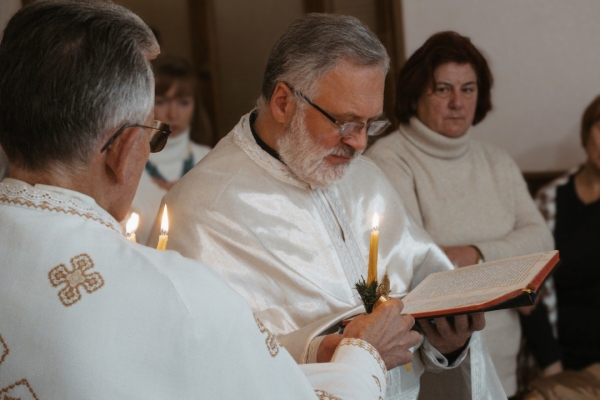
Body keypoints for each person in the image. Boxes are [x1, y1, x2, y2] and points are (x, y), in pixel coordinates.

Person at [0, 2, 417, 398]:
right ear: (126, 149)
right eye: (154, 135)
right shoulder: (176, 292)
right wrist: (363, 353)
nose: (359, 142)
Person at [155, 14, 504, 399]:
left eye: (370, 124)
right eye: (345, 122)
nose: (359, 144)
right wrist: (318, 350)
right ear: (284, 102)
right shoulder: (202, 209)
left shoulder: (366, 178)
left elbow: (425, 289)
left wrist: (446, 345)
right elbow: (199, 359)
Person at [365, 31, 555, 398]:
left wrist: (473, 254)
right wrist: (504, 258)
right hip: (431, 367)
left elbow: (540, 238)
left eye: (468, 89)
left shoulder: (497, 161)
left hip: (505, 359)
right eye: (443, 89)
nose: (457, 102)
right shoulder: (389, 160)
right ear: (416, 93)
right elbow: (418, 260)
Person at [536, 94, 600, 371]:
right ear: (587, 133)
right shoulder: (550, 199)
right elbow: (530, 287)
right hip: (559, 359)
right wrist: (551, 363)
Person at [129, 55, 211, 244]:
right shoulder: (128, 163)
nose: (173, 114)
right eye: (162, 101)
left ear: (195, 106)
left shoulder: (209, 159)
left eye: (183, 102)